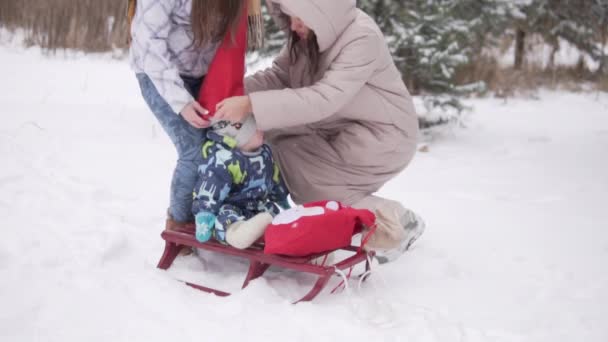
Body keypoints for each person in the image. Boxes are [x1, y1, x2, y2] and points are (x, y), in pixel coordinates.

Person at [214, 0, 425, 263]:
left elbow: (325, 98)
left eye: (300, 18)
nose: (293, 25)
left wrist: (250, 104)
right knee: (275, 148)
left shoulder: (361, 37)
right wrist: (231, 91)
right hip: (337, 127)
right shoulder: (311, 34)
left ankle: (396, 222)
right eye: (290, 17)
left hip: (381, 138)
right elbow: (281, 76)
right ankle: (243, 216)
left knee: (308, 182)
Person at [129, 0, 264, 232]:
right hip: (158, 73)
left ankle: (235, 215)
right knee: (194, 151)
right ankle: (179, 225)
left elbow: (232, 45)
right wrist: (180, 101)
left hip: (209, 77)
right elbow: (148, 43)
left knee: (247, 140)